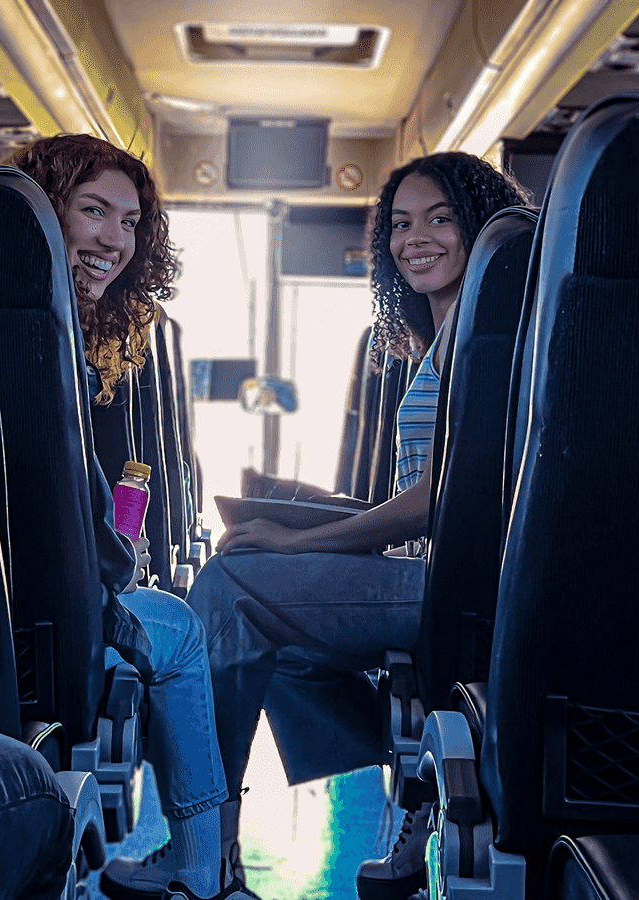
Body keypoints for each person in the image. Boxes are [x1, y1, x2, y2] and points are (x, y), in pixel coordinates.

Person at [181, 153, 529, 887]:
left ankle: (203, 851)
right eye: (401, 224)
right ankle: (425, 786)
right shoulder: (443, 333)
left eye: (441, 218)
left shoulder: (488, 328)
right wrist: (304, 518)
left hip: (462, 587)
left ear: (481, 226)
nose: (417, 239)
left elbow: (442, 502)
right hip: (437, 572)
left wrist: (299, 538)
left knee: (228, 589)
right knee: (280, 626)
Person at [4, 134, 256, 900]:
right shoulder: (58, 345)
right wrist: (120, 559)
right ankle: (202, 871)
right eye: (93, 211)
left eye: (131, 220)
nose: (115, 238)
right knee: (179, 630)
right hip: (46, 609)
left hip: (3, 596)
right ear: (45, 212)